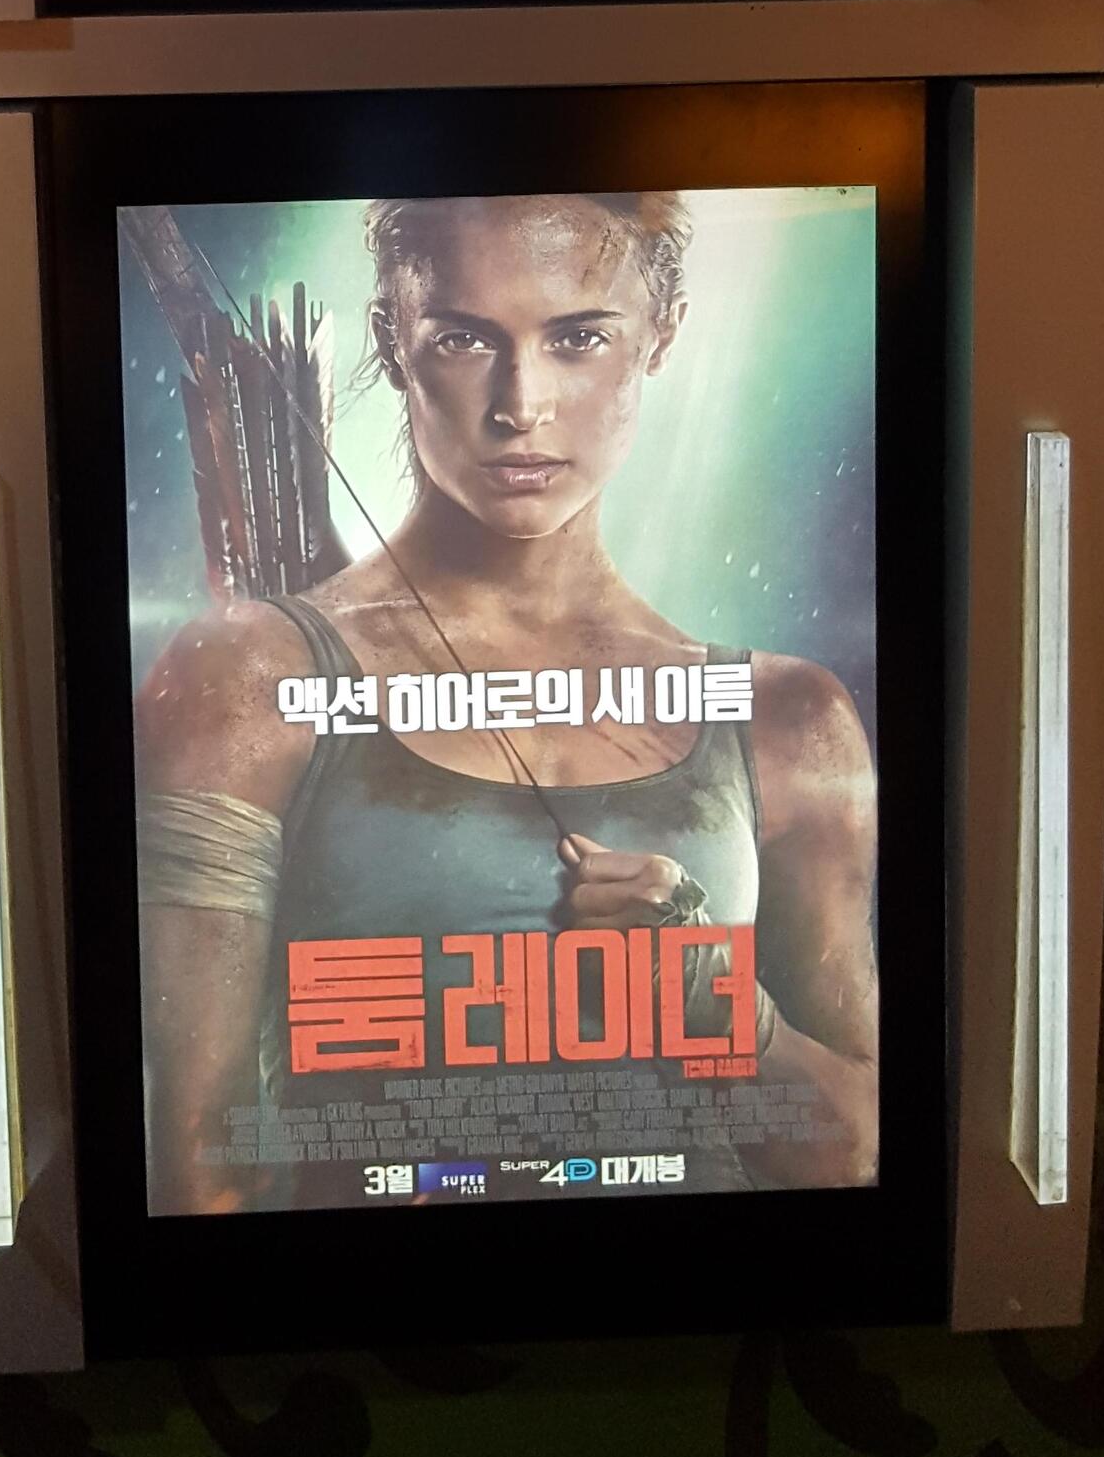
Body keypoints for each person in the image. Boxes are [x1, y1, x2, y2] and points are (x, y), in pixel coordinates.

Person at [135, 190, 877, 1212]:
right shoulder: (247, 682)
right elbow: (197, 1175)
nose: (520, 405)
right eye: (464, 338)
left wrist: (720, 1010)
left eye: (578, 337)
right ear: (393, 340)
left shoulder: (788, 717)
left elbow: (854, 1154)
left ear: (659, 337)